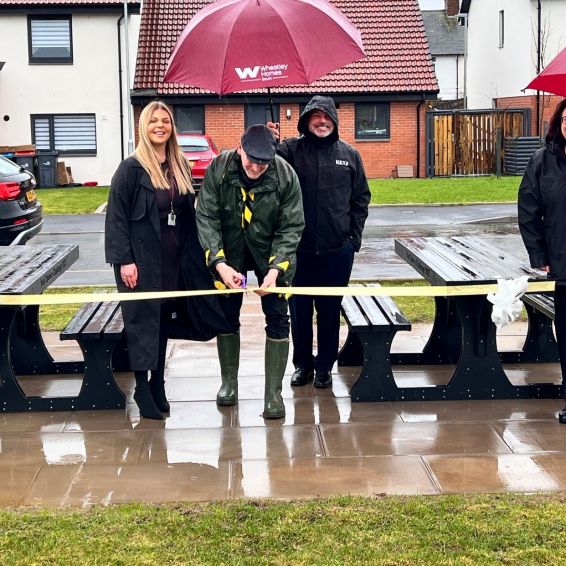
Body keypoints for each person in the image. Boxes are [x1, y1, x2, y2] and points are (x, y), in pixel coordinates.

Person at [105, 101, 230, 420]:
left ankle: (158, 384)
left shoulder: (180, 165)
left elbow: (190, 215)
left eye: (165, 121)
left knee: (161, 322)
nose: (160, 126)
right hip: (141, 262)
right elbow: (116, 218)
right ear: (143, 127)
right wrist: (124, 261)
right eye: (153, 121)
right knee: (142, 324)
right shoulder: (131, 168)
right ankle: (141, 387)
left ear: (172, 127)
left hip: (173, 260)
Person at [196, 124, 304, 419]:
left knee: (279, 319)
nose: (256, 167)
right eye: (250, 160)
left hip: (270, 251)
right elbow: (206, 217)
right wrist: (219, 263)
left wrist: (275, 270)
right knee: (227, 315)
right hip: (230, 251)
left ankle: (273, 395)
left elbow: (291, 225)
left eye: (263, 162)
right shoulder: (219, 168)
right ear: (239, 147)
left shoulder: (285, 174)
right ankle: (229, 384)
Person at [268, 95, 370, 389]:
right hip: (299, 251)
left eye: (326, 117)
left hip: (338, 251)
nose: (321, 121)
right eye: (315, 117)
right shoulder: (290, 151)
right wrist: (270, 139)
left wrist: (354, 239)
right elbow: (267, 166)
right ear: (306, 121)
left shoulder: (349, 155)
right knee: (299, 311)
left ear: (334, 121)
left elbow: (361, 197)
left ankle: (324, 366)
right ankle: (303, 365)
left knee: (329, 310)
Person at [518, 98, 566, 424]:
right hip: (561, 265)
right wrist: (539, 255)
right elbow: (528, 211)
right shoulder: (542, 162)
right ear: (559, 124)